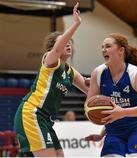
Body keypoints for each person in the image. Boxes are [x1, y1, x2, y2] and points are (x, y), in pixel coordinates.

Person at [14, 2, 88, 157]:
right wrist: (76, 24)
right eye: (64, 42)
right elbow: (56, 49)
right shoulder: (50, 60)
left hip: (46, 119)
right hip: (32, 113)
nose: (68, 44)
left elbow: (90, 90)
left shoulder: (70, 72)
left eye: (70, 43)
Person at [85, 33, 137, 157]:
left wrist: (123, 112)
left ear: (121, 50)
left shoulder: (136, 74)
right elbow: (89, 106)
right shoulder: (98, 73)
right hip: (114, 132)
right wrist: (98, 123)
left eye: (108, 46)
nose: (103, 50)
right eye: (102, 47)